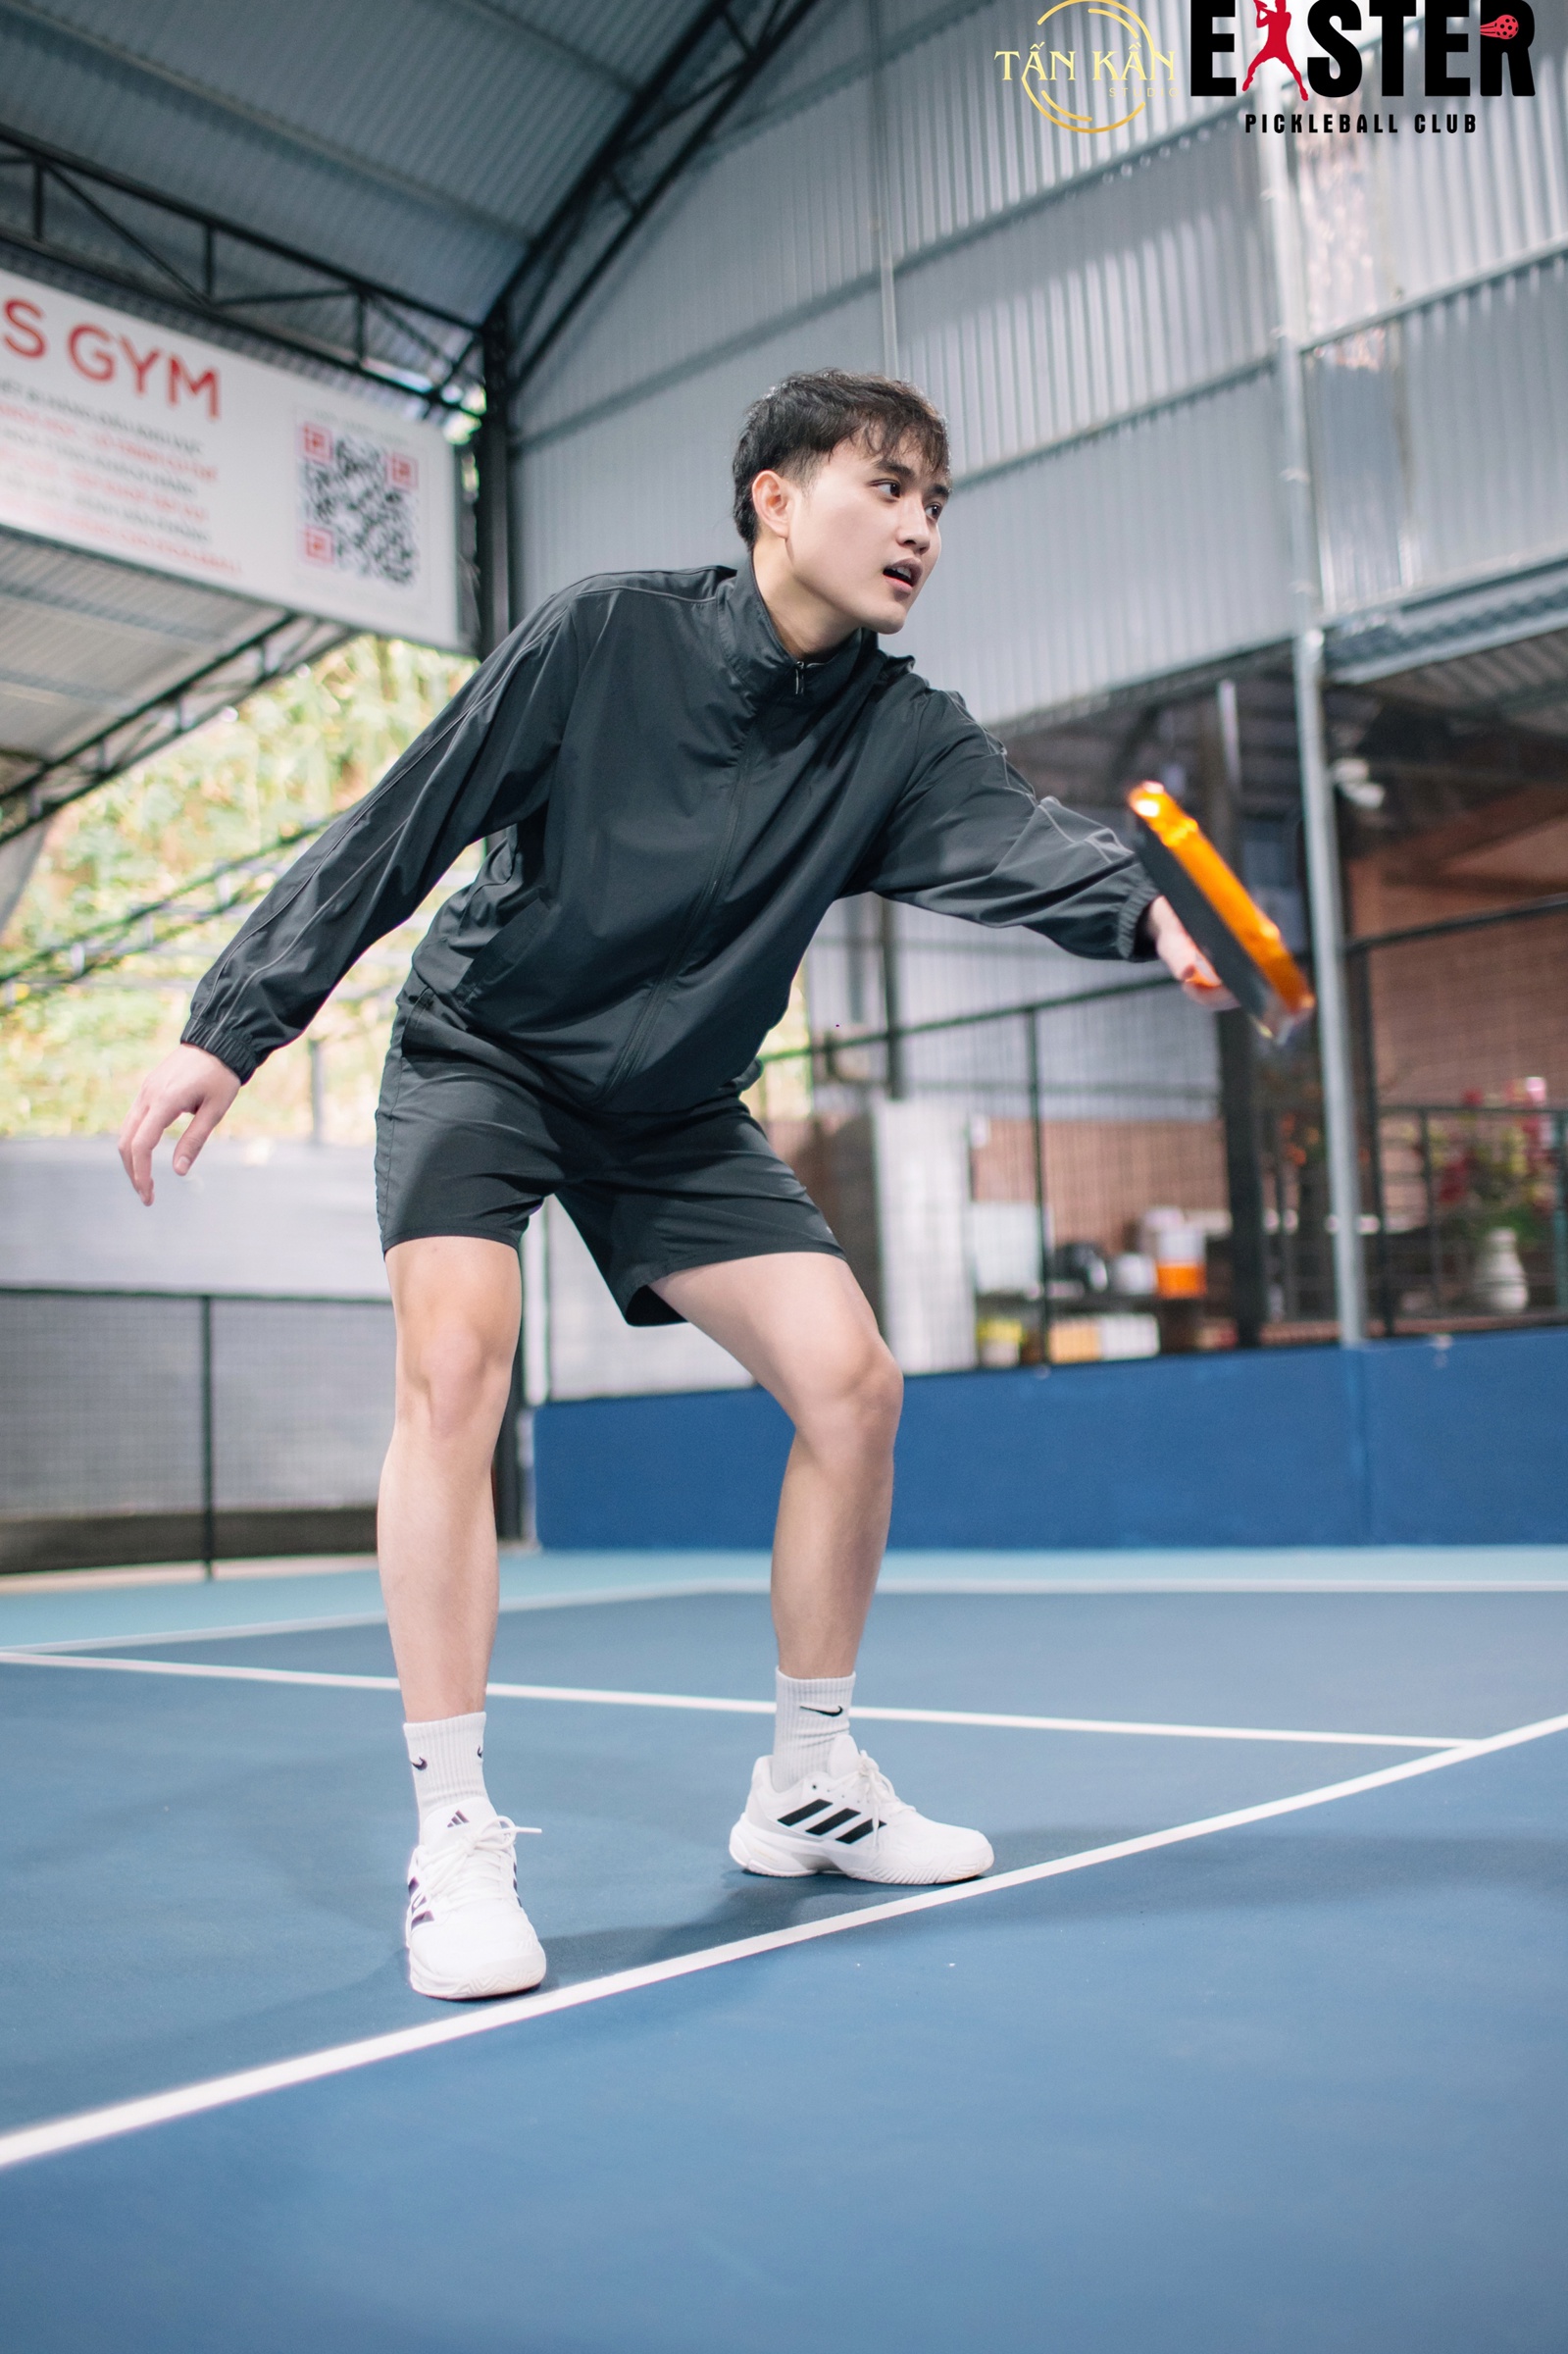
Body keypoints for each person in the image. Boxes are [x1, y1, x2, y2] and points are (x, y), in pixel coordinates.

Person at [118, 371, 1228, 2002]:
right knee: (455, 1366)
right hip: (488, 1053)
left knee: (852, 1385)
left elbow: (1020, 845)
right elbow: (403, 823)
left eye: (937, 500)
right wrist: (235, 1023)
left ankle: (809, 1783)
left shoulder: (900, 734)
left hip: (673, 1107)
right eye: (887, 485)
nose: (921, 525)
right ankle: (455, 1833)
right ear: (776, 496)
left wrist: (1147, 913)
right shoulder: (604, 637)